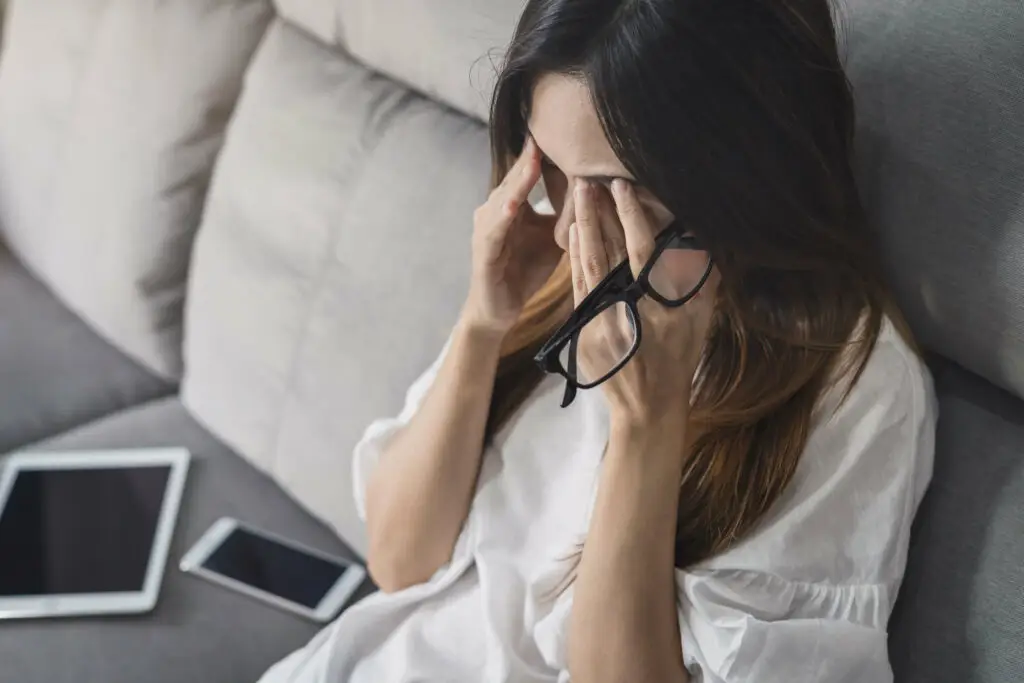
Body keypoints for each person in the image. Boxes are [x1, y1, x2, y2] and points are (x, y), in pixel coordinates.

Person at [259, 0, 937, 681]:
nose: (565, 231)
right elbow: (398, 561)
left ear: (740, 175)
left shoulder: (853, 388)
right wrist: (483, 323)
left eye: (615, 192)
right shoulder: (566, 272)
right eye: (550, 167)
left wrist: (645, 421)